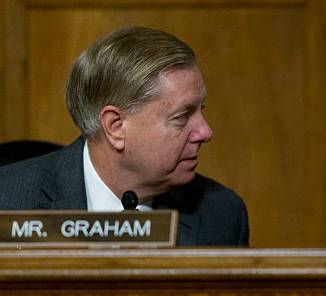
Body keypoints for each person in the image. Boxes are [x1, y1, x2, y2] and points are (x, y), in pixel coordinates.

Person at [0, 27, 248, 246]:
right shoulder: (7, 201)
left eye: (200, 110)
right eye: (181, 117)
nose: (205, 132)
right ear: (116, 126)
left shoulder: (222, 214)